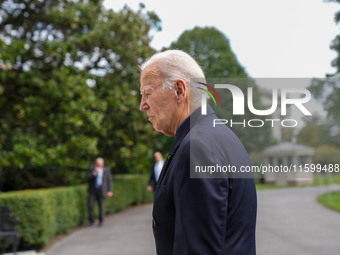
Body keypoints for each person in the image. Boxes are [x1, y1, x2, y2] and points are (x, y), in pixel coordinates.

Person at [139, 50, 257, 254]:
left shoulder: (196, 147)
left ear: (179, 90)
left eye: (148, 93)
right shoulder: (221, 136)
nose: (142, 105)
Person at [87, 157, 113, 227]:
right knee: (90, 205)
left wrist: (110, 190)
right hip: (93, 190)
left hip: (102, 190)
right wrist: (95, 172)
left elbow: (109, 180)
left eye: (101, 164)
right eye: (98, 164)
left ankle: (101, 221)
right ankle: (91, 221)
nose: (99, 165)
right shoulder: (91, 168)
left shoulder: (106, 170)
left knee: (101, 206)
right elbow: (88, 178)